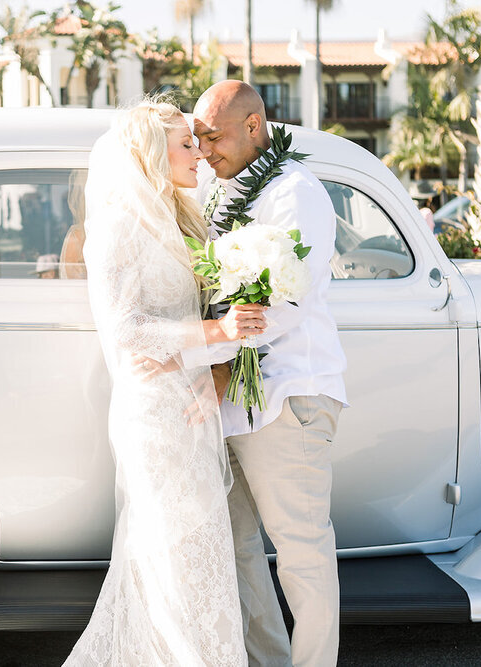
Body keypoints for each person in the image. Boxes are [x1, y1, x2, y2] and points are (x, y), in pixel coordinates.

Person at [64, 99, 266, 666]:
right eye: (185, 144)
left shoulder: (184, 216)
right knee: (173, 553)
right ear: (153, 153)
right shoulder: (116, 229)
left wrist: (213, 358)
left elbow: (187, 320)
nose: (200, 153)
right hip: (154, 416)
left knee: (200, 550)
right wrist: (215, 329)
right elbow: (126, 331)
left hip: (192, 406)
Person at [188, 80, 348, 667]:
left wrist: (223, 374)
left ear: (254, 127)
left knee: (302, 555)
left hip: (287, 395)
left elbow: (285, 301)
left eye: (214, 135)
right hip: (229, 402)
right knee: (238, 552)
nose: (203, 148)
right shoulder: (218, 188)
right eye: (197, 138)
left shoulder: (295, 191)